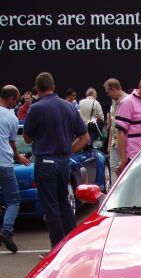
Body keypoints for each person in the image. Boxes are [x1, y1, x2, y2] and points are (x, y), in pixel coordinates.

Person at [23, 72, 89, 248]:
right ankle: (72, 246)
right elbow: (84, 138)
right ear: (54, 86)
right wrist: (69, 150)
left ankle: (58, 250)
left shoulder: (35, 108)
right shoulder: (69, 107)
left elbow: (27, 139)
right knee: (64, 203)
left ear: (37, 88)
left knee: (51, 207)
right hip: (64, 161)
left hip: (45, 162)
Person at [0, 85, 30, 252]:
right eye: (16, 100)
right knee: (13, 200)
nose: (15, 103)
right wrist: (18, 157)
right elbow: (12, 143)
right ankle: (7, 230)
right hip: (4, 162)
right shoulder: (11, 118)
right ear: (10, 99)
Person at [103, 78, 127, 184]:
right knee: (114, 171)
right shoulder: (113, 102)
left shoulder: (127, 100)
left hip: (124, 145)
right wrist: (109, 144)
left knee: (125, 173)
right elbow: (113, 125)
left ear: (113, 89)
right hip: (113, 145)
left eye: (108, 92)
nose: (108, 95)